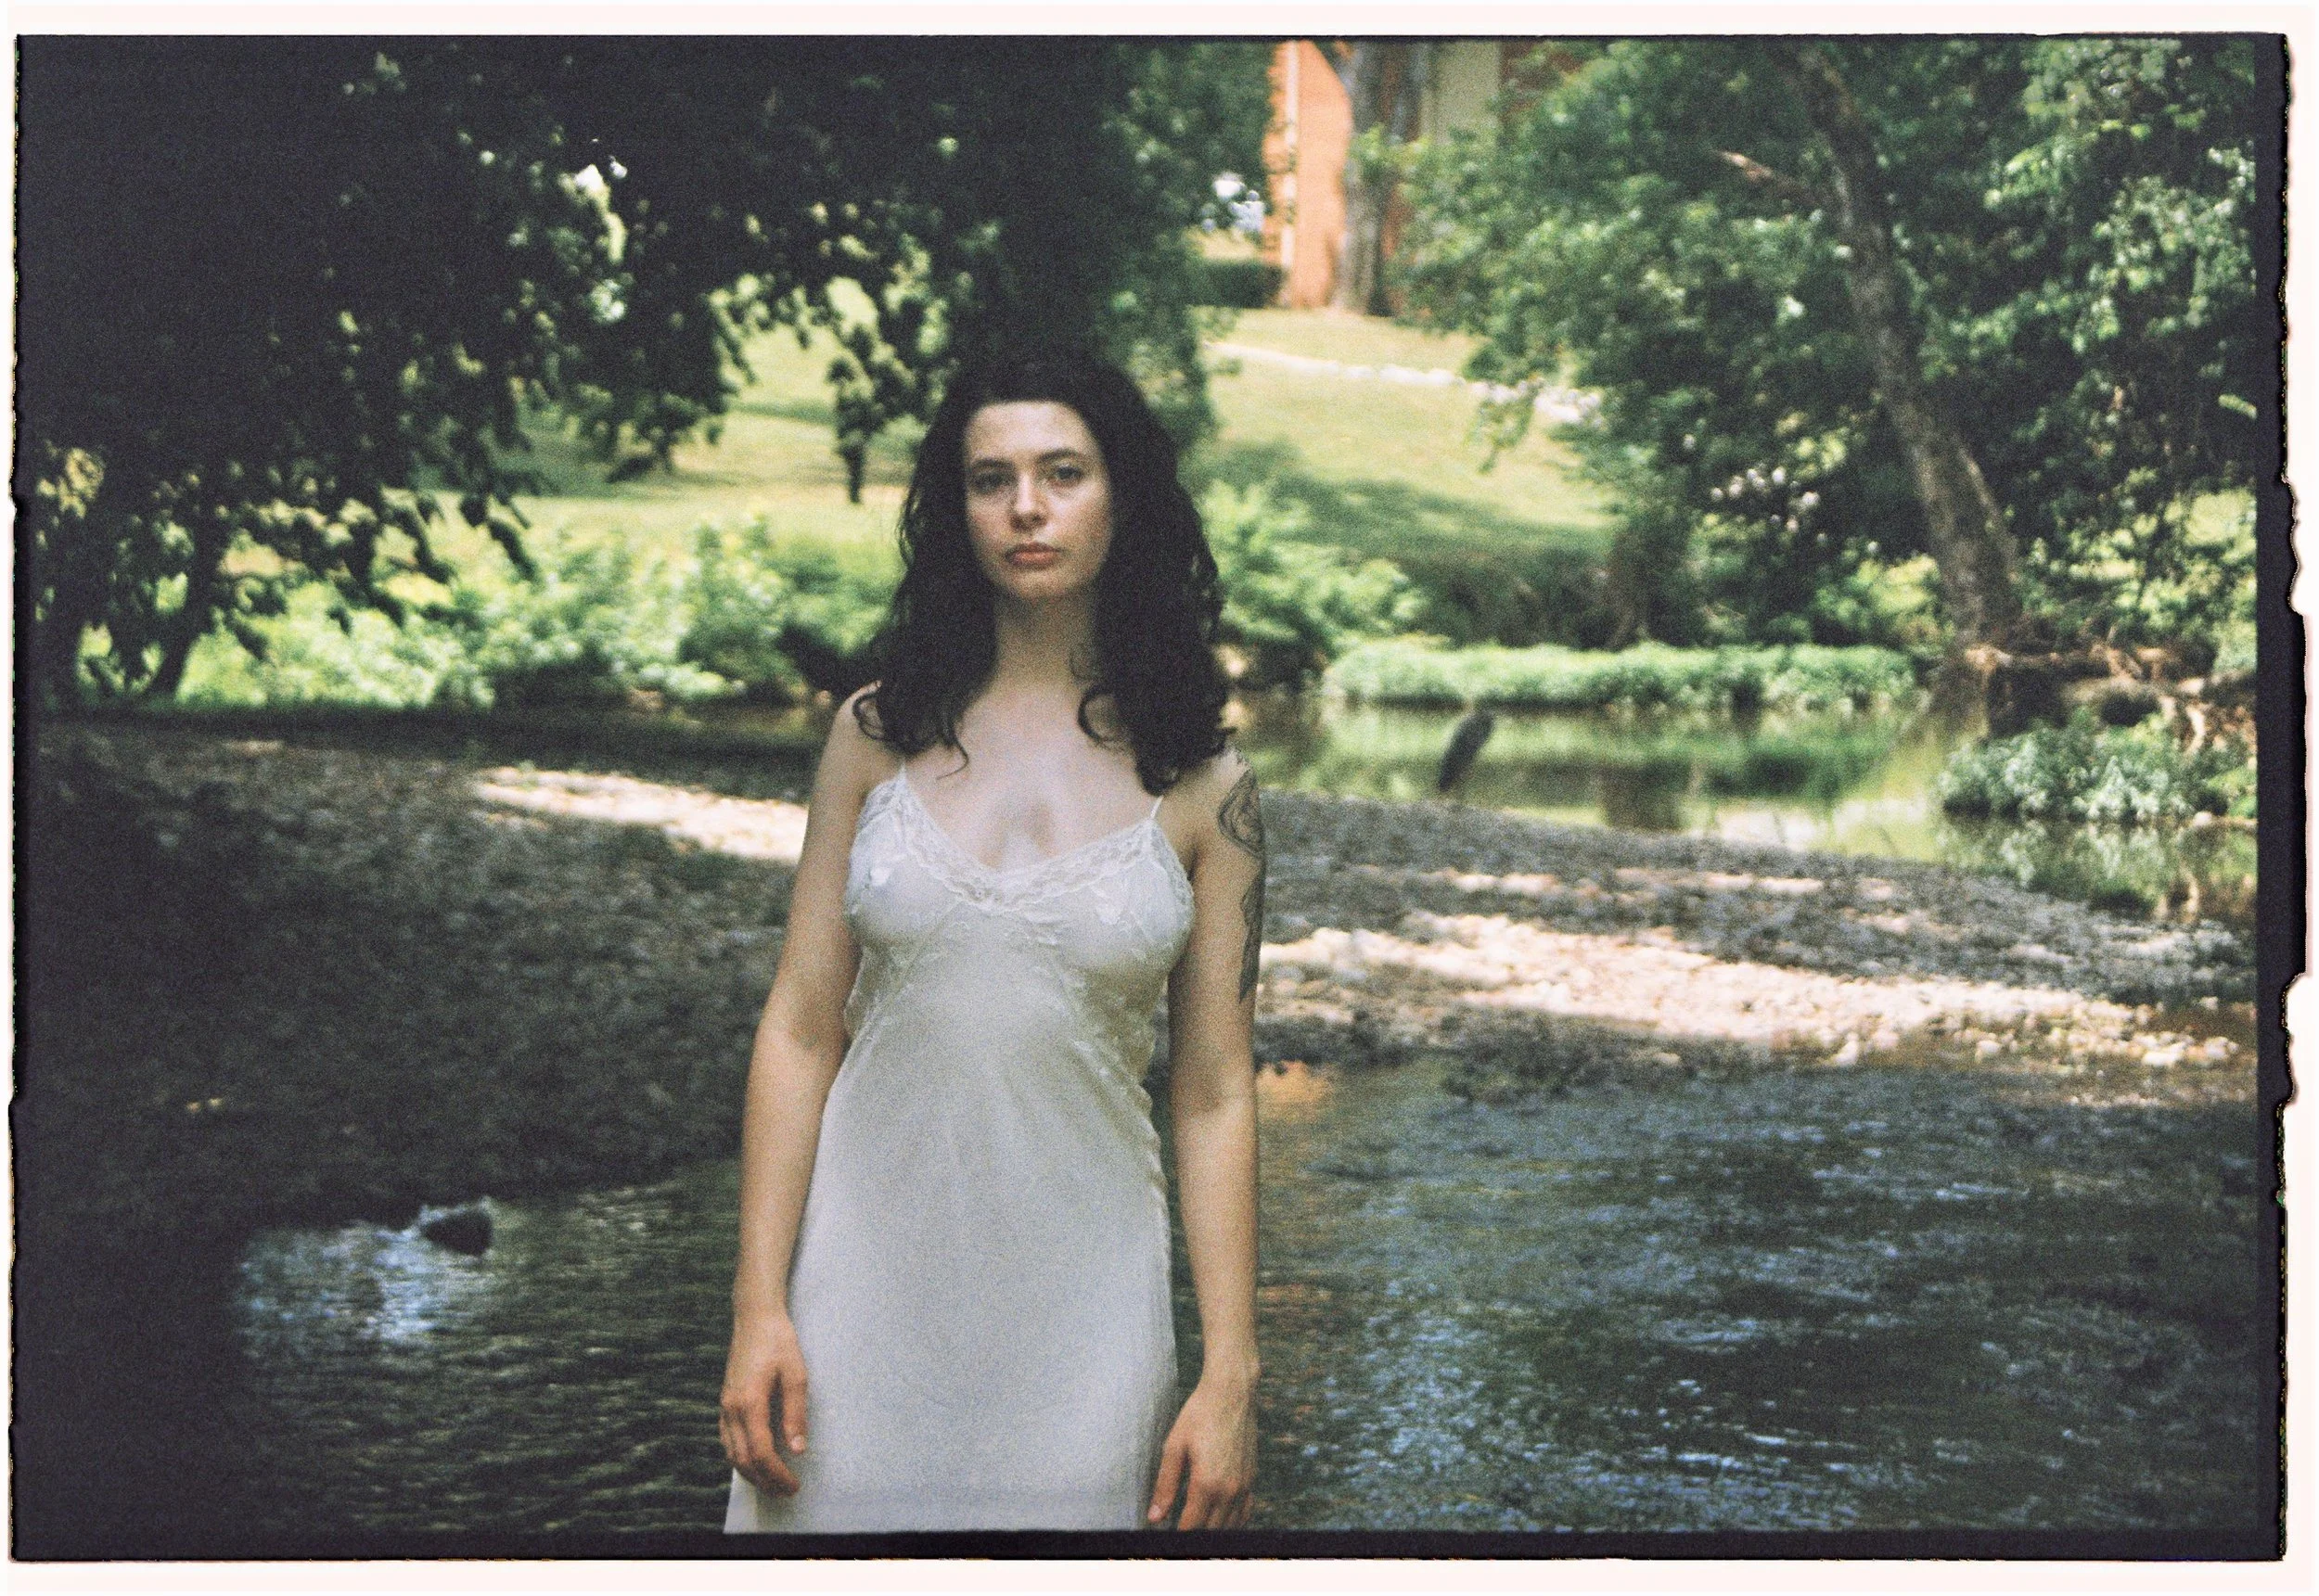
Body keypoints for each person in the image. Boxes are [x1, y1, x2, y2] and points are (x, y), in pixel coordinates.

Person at [718, 349, 1262, 1533]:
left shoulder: (1206, 782)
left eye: (1063, 472)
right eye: (989, 478)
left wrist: (1231, 1372)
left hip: (1088, 1309)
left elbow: (1216, 1088)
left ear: (1124, 497)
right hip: (857, 1298)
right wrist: (758, 1304)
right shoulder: (874, 733)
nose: (1025, 506)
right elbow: (802, 1026)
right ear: (952, 508)